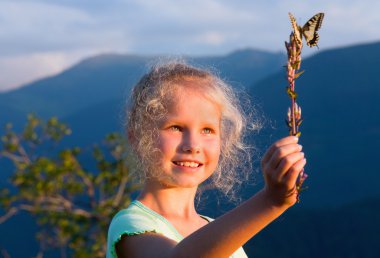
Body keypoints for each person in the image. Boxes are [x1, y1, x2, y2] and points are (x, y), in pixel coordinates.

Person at [106, 61, 306, 258]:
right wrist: (269, 201)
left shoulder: (218, 232)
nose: (193, 145)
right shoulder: (131, 225)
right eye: (176, 127)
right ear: (137, 136)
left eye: (207, 130)